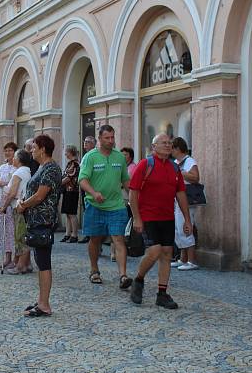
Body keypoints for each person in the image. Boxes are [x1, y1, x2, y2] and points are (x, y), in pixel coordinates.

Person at [128, 133, 192, 310]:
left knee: (166, 253)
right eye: (163, 143)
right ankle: (139, 280)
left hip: (167, 217)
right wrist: (136, 218)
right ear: (154, 146)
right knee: (154, 251)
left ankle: (162, 294)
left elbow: (180, 194)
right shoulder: (145, 164)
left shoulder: (174, 167)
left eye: (170, 143)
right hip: (148, 216)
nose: (168, 145)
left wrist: (187, 219)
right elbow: (133, 192)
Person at [78, 125, 132, 288]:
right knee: (95, 239)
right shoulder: (90, 157)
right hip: (95, 205)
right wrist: (94, 193)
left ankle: (123, 276)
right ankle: (94, 270)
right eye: (107, 138)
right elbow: (82, 180)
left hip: (116, 206)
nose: (110, 141)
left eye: (112, 137)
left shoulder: (119, 157)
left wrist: (135, 197)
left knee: (118, 239)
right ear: (100, 139)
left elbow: (125, 181)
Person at [15, 135, 62, 317]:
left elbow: (41, 195)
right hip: (36, 220)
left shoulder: (51, 168)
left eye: (34, 147)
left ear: (43, 149)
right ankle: (42, 299)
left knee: (43, 262)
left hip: (44, 220)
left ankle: (44, 305)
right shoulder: (43, 167)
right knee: (40, 260)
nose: (31, 151)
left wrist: (23, 204)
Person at [0, 149, 32, 274]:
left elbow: (12, 193)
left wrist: (3, 206)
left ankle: (21, 266)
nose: (13, 159)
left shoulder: (18, 173)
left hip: (18, 205)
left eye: (15, 157)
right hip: (24, 204)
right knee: (23, 235)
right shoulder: (27, 171)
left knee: (20, 236)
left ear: (19, 159)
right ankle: (26, 264)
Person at [170, 137, 200, 271]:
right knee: (178, 229)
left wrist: (181, 173)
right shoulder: (176, 162)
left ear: (177, 148)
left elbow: (195, 177)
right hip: (177, 199)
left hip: (187, 199)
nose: (170, 151)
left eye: (172, 148)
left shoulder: (189, 161)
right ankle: (183, 258)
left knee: (186, 227)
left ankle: (192, 260)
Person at [0, 142, 18, 268]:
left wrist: (3, 183)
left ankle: (15, 258)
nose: (8, 152)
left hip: (12, 199)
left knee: (13, 229)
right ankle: (7, 257)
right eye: (6, 150)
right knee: (4, 229)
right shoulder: (2, 167)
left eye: (10, 150)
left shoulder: (17, 168)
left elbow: (14, 183)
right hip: (2, 198)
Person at [60, 145, 80, 243]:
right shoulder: (70, 163)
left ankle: (74, 234)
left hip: (72, 190)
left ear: (71, 152)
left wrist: (57, 183)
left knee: (72, 213)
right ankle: (67, 234)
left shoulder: (75, 164)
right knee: (68, 213)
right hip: (67, 190)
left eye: (66, 152)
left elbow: (69, 177)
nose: (65, 153)